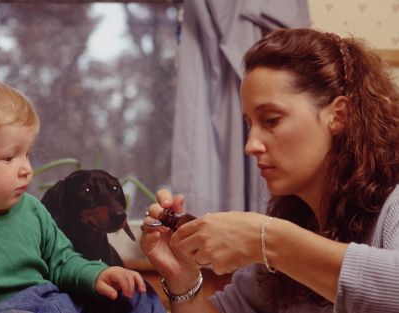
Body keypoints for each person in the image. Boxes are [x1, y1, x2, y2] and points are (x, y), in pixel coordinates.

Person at [141, 28, 399, 313]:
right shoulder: (293, 231)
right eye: (250, 124)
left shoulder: (394, 202)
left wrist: (265, 239)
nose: (251, 145)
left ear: (339, 116)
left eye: (272, 120)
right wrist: (182, 279)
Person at [0, 74, 165, 313]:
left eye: (27, 154)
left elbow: (63, 261)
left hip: (51, 303)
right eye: (9, 157)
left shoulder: (31, 210)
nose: (26, 168)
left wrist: (97, 275)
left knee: (136, 294)